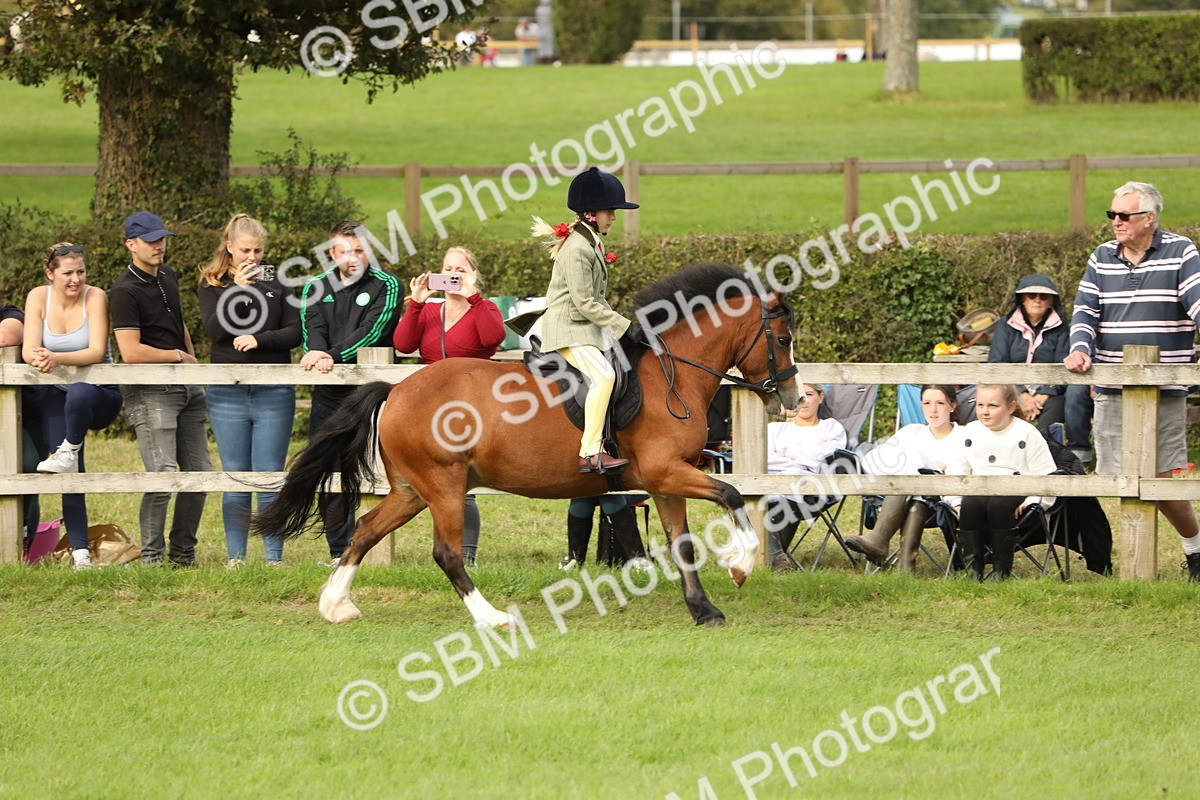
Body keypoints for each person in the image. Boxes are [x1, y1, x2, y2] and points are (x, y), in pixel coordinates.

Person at [1064, 181, 1200, 581]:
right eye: (1112, 215)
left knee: (1159, 478)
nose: (1116, 222)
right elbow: (1086, 310)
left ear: (1149, 218)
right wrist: (1080, 348)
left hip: (1164, 387)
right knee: (1120, 477)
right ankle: (1135, 569)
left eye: (1124, 215)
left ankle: (1194, 547)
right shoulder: (1102, 257)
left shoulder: (1181, 251)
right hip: (1112, 385)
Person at [110, 211, 212, 567]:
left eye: (162, 238)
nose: (159, 245)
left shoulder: (167, 274)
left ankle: (184, 554)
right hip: (151, 391)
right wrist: (178, 357)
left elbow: (178, 322)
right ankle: (152, 559)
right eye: (151, 240)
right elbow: (130, 351)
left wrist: (192, 362)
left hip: (185, 385)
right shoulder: (124, 290)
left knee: (200, 474)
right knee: (163, 474)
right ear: (131, 244)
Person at [199, 214, 301, 568]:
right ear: (229, 248)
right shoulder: (212, 284)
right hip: (227, 391)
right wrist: (237, 291)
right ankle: (236, 557)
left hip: (273, 388)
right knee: (236, 474)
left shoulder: (278, 282)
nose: (253, 258)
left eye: (258, 250)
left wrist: (259, 339)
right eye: (245, 250)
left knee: (270, 473)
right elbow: (214, 330)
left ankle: (274, 557)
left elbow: (294, 331)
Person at [392, 246, 505, 566]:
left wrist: (474, 298)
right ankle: (450, 551)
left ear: (473, 274)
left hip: (472, 405)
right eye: (448, 268)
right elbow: (403, 344)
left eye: (461, 269)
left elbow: (493, 337)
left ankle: (464, 555)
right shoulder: (429, 311)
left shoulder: (485, 308)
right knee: (437, 482)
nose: (454, 273)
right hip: (432, 406)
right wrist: (416, 302)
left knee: (459, 483)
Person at [299, 219, 400, 564]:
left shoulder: (388, 285)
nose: (354, 257)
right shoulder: (314, 285)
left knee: (370, 472)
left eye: (360, 250)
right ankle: (337, 551)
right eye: (346, 251)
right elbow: (311, 327)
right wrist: (316, 351)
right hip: (327, 396)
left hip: (370, 396)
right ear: (331, 253)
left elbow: (373, 331)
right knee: (329, 473)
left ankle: (366, 546)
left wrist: (333, 355)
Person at [22, 242, 123, 570]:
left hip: (98, 394)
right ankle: (80, 553)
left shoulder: (95, 297)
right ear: (49, 274)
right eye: (67, 273)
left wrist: (54, 357)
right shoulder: (38, 297)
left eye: (80, 271)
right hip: (57, 394)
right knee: (69, 470)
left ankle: (68, 447)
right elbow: (28, 348)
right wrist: (35, 356)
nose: (76, 279)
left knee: (78, 391)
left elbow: (95, 352)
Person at [534, 166, 639, 474]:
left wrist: (623, 326)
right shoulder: (578, 248)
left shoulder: (590, 240)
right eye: (610, 211)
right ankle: (591, 451)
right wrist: (624, 326)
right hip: (568, 329)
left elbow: (598, 299)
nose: (614, 218)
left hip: (583, 327)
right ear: (592, 213)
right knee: (604, 375)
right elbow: (583, 303)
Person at [844, 385, 966, 572]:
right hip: (910, 496)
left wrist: (942, 468)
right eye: (927, 403)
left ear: (952, 405)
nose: (933, 409)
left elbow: (967, 471)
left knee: (914, 474)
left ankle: (879, 539)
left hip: (944, 498)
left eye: (940, 403)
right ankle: (905, 566)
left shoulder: (964, 436)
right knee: (913, 482)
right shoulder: (911, 432)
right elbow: (875, 460)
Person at [943, 384, 1057, 581]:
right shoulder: (969, 432)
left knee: (998, 503)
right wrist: (955, 501)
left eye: (993, 406)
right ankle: (973, 572)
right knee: (970, 503)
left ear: (1011, 407)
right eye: (980, 405)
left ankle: (1000, 572)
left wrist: (1033, 501)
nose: (985, 412)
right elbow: (955, 472)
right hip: (979, 490)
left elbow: (1047, 475)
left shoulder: (1027, 433)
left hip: (1017, 492)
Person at [762, 383, 848, 569]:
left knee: (790, 486)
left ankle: (772, 558)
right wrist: (802, 463)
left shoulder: (831, 428)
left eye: (808, 394)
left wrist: (785, 455)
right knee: (752, 496)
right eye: (798, 395)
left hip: (812, 494)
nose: (803, 400)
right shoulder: (775, 429)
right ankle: (775, 560)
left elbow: (821, 463)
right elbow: (763, 463)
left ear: (820, 397)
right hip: (773, 489)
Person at [987, 273, 1069, 435]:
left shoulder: (1062, 327)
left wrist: (1044, 394)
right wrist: (1021, 394)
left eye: (1044, 296)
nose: (1037, 300)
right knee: (996, 407)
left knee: (1057, 410)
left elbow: (1063, 363)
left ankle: (1041, 451)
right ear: (1023, 299)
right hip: (1010, 390)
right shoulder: (1006, 324)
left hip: (1048, 395)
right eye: (1031, 295)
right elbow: (997, 362)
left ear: (1051, 301)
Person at [1, 302, 45, 553]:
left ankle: (27, 545)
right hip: (4, 412)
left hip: (31, 407)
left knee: (34, 473)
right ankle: (17, 538)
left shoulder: (9, 314)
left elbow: (7, 336)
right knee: (27, 463)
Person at [559, 494, 649, 571]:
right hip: (598, 488)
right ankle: (575, 557)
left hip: (635, 488)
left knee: (609, 497)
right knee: (581, 498)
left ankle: (638, 559)